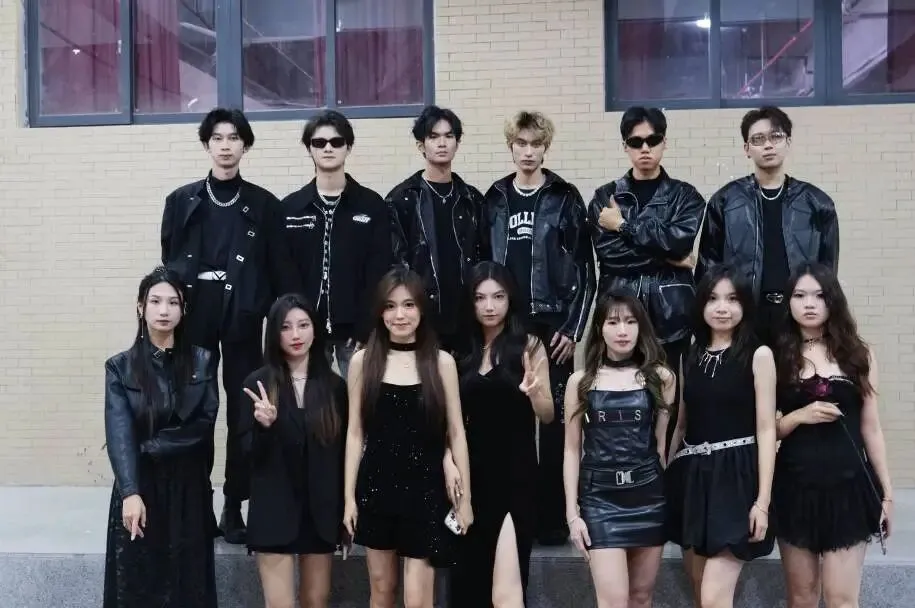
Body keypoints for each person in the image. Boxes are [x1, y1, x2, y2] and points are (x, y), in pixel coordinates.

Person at [160, 107, 301, 543]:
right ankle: (196, 504)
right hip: (196, 317)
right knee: (196, 408)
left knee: (244, 410)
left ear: (245, 145)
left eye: (234, 138)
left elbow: (279, 271)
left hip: (243, 317)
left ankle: (235, 504)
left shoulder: (264, 204)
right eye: (218, 138)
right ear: (207, 145)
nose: (225, 146)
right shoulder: (182, 201)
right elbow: (170, 262)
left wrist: (281, 324)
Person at [481, 110, 596, 545]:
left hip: (554, 327)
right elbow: (482, 266)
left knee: (555, 422)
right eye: (521, 144)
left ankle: (552, 518)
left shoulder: (565, 197)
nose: (528, 152)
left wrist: (573, 326)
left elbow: (586, 269)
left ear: (546, 148)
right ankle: (508, 514)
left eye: (536, 144)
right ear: (510, 147)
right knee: (505, 417)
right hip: (505, 323)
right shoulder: (495, 198)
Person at [343, 267, 474, 608]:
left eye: (408, 305)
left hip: (426, 490)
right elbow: (355, 434)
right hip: (376, 487)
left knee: (418, 600)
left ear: (421, 309)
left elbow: (456, 431)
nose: (399, 315)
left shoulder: (441, 362)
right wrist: (348, 499)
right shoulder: (362, 362)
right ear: (379, 312)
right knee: (382, 590)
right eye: (390, 306)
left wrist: (465, 501)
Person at [773, 263, 893, 608]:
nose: (809, 304)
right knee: (802, 597)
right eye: (799, 295)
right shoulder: (777, 355)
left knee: (842, 599)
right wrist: (800, 416)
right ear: (788, 302)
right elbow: (766, 430)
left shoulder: (858, 354)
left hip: (849, 487)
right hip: (794, 486)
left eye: (819, 295)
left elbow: (871, 427)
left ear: (833, 300)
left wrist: (887, 493)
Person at [590, 106, 706, 449]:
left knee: (667, 401)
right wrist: (670, 256)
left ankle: (664, 471)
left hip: (672, 316)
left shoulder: (686, 196)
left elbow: (679, 240)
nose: (645, 148)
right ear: (625, 146)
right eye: (636, 141)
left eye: (653, 140)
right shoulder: (604, 197)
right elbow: (609, 254)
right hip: (619, 313)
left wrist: (624, 226)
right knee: (619, 398)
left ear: (664, 142)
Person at [103, 266, 218, 607]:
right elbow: (119, 430)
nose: (164, 310)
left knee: (189, 585)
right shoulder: (119, 367)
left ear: (183, 310)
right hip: (140, 485)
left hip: (188, 488)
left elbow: (202, 424)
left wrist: (150, 447)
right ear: (141, 307)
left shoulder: (202, 361)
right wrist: (130, 491)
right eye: (155, 301)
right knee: (138, 585)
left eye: (173, 302)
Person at [666, 265, 777, 608]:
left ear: (745, 305)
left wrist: (762, 501)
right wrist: (667, 477)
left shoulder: (759, 355)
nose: (722, 308)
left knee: (715, 596)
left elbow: (766, 429)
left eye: (732, 299)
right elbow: (681, 424)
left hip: (738, 477)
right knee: (700, 589)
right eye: (713, 299)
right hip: (694, 477)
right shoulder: (690, 355)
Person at [448, 261, 554, 607]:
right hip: (469, 477)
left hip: (515, 475)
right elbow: (447, 420)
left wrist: (534, 392)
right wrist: (449, 462)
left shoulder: (529, 346)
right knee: (468, 586)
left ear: (511, 300)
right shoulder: (460, 351)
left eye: (498, 297)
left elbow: (548, 414)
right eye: (480, 298)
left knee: (507, 590)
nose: (490, 306)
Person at [563, 292, 675, 608]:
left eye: (630, 321)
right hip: (600, 500)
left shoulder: (662, 378)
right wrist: (572, 514)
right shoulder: (580, 382)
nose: (622, 331)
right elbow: (571, 450)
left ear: (641, 327)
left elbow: (660, 445)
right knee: (612, 601)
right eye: (613, 322)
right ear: (600, 328)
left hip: (648, 497)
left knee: (641, 598)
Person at [696, 106, 840, 347]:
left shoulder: (817, 203)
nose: (768, 145)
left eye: (776, 137)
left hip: (797, 315)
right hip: (744, 315)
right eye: (758, 139)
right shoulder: (725, 201)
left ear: (788, 142)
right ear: (747, 148)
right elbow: (708, 267)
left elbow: (828, 270)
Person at [240, 294, 348, 608]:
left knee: (316, 600)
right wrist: (265, 427)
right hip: (274, 511)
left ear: (315, 329)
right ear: (274, 333)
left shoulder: (334, 387)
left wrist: (344, 515)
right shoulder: (258, 384)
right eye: (286, 327)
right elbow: (247, 456)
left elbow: (342, 456)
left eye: (303, 325)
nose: (296, 335)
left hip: (320, 513)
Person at [281, 110, 393, 379]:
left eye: (336, 142)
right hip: (305, 330)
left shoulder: (372, 206)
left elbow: (379, 270)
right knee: (307, 398)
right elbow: (284, 271)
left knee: (361, 397)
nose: (328, 148)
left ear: (348, 147)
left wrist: (366, 324)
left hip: (356, 331)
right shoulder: (290, 208)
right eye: (319, 143)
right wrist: (297, 321)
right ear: (309, 148)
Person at [388, 105, 486, 354]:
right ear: (421, 145)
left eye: (448, 136)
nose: (442, 143)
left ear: (457, 143)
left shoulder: (472, 199)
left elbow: (484, 258)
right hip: (422, 319)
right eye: (433, 136)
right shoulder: (402, 199)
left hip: (466, 319)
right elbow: (397, 264)